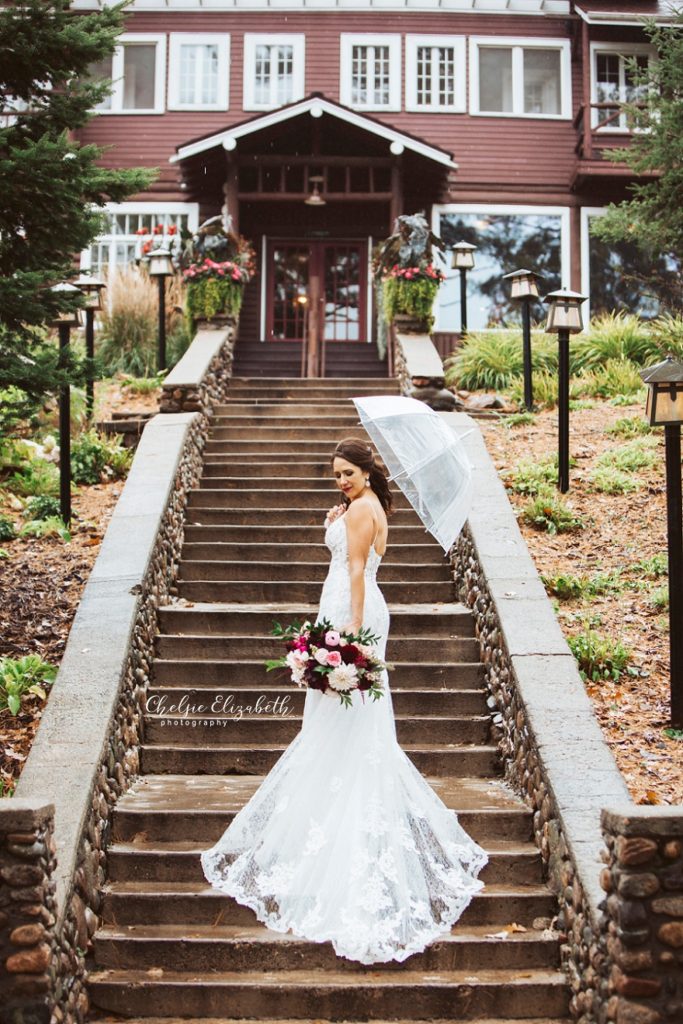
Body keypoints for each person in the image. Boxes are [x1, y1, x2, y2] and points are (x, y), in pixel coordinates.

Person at [200, 436, 488, 964]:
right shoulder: (368, 506)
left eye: (347, 473)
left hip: (351, 609)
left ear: (366, 470)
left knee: (340, 717)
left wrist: (350, 628)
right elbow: (357, 555)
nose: (341, 481)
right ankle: (330, 814)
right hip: (349, 602)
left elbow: (356, 568)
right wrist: (336, 522)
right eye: (335, 475)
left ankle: (339, 827)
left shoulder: (361, 508)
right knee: (346, 721)